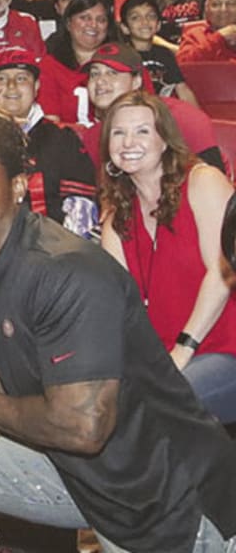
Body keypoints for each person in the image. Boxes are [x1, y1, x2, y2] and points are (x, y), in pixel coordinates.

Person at [0, 101, 236, 553]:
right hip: (80, 475)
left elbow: (83, 427)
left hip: (166, 499)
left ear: (16, 187)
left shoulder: (67, 272)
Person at [97, 91, 236, 423]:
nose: (128, 141)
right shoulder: (116, 219)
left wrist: (181, 351)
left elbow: (222, 274)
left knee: (149, 410)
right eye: (118, 132)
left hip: (223, 348)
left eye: (142, 131)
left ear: (165, 140)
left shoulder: (204, 182)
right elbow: (118, 304)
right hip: (161, 358)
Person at [0, 48, 98, 237]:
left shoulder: (62, 139)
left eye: (22, 78)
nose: (12, 86)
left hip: (51, 252)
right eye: (1, 79)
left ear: (36, 86)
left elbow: (82, 208)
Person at [75, 42, 224, 176]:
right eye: (94, 74)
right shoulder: (94, 136)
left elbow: (216, 182)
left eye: (112, 73)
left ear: (136, 81)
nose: (100, 81)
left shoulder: (182, 117)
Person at [36, 0, 111, 125]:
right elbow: (50, 124)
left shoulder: (125, 62)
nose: (93, 25)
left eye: (101, 20)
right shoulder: (49, 67)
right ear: (69, 23)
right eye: (84, 18)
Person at [120, 0, 197, 103]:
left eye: (151, 16)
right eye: (135, 18)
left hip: (161, 110)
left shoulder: (165, 54)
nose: (145, 22)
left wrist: (199, 118)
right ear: (125, 28)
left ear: (158, 25)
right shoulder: (121, 55)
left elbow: (182, 89)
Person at [177, 0, 236, 64]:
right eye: (216, 4)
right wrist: (219, 38)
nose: (223, 10)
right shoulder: (194, 35)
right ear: (206, 9)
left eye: (231, 4)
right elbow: (182, 65)